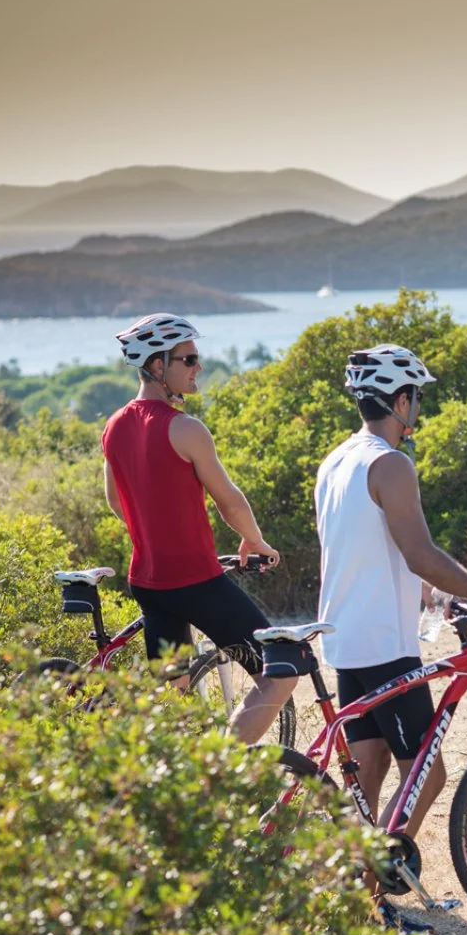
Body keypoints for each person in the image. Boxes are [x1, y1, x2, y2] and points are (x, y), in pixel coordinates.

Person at [316, 343, 467, 935]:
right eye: (416, 397)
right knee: (428, 774)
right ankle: (379, 888)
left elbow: (369, 553)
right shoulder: (390, 464)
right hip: (386, 645)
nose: (418, 408)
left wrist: (437, 599)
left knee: (367, 777)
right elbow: (421, 555)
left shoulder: (336, 460)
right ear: (400, 400)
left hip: (344, 639)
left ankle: (357, 906)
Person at [101, 312, 297, 743]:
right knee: (281, 671)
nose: (198, 367)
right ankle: (221, 769)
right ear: (158, 365)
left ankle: (176, 774)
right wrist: (255, 540)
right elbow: (230, 501)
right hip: (196, 583)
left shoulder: (113, 427)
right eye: (188, 359)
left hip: (148, 584)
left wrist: (154, 532)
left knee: (172, 699)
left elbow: (116, 501)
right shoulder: (185, 429)